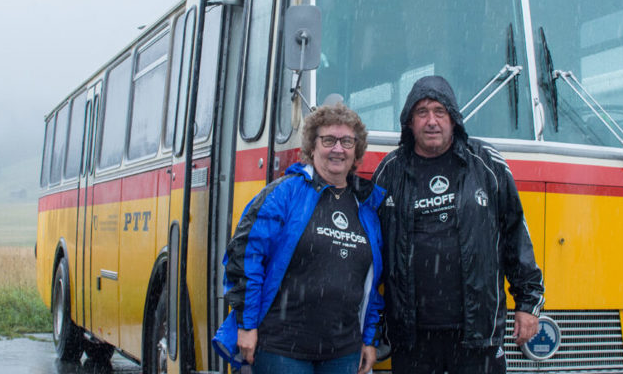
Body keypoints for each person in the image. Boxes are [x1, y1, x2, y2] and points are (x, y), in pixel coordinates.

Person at [372, 75, 545, 374]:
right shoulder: (389, 171)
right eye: (422, 112)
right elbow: (371, 254)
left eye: (440, 112)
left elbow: (515, 235)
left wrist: (528, 305)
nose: (431, 121)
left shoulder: (486, 164)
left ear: (454, 119)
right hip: (412, 338)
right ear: (409, 122)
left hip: (477, 335)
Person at [212, 103, 385, 374]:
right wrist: (246, 326)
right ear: (312, 146)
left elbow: (371, 286)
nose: (338, 149)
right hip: (282, 349)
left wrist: (369, 339)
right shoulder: (283, 195)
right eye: (328, 140)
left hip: (343, 351)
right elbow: (246, 258)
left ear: (356, 150)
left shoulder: (367, 207)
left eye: (347, 141)